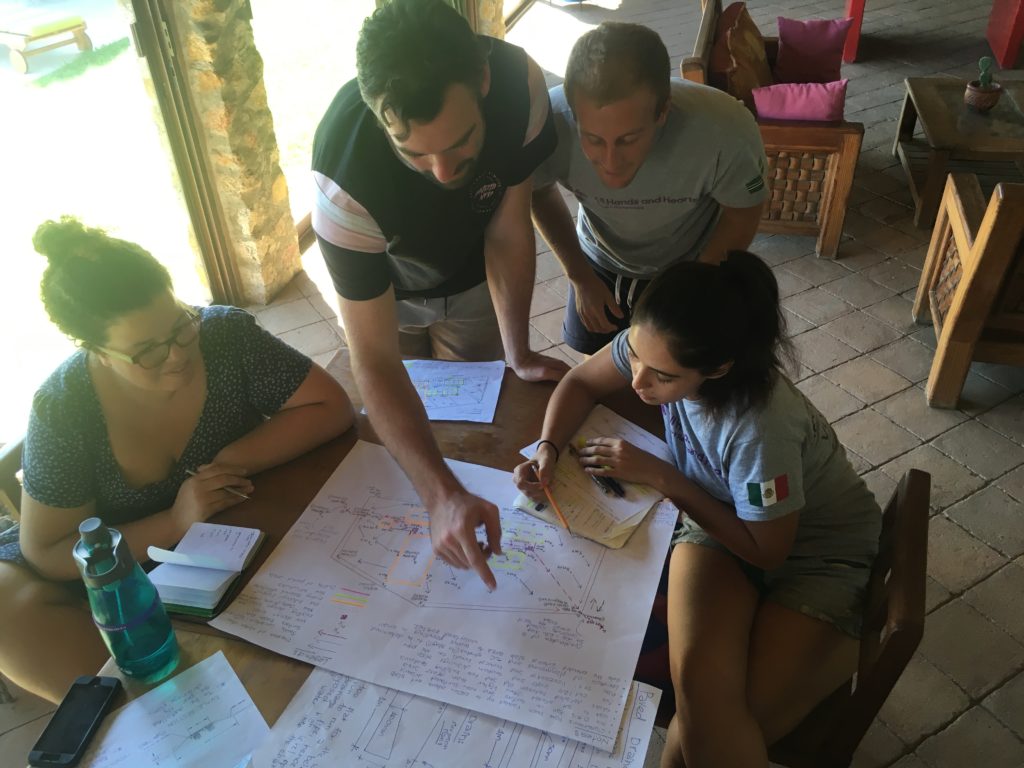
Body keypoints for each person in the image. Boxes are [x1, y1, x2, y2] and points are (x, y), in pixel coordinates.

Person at [513, 251, 881, 768]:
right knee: (701, 709)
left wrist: (664, 478)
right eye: (634, 356)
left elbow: (769, 551)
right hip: (719, 520)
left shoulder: (759, 429)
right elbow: (580, 382)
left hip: (817, 558)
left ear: (719, 368)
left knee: (697, 739)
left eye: (662, 377)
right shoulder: (656, 342)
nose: (638, 381)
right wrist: (548, 445)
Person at [0, 218, 355, 702]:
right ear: (96, 352)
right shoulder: (64, 408)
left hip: (226, 533)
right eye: (146, 351)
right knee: (142, 699)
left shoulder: (223, 334)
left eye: (180, 325)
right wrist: (175, 519)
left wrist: (229, 461)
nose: (175, 357)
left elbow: (331, 406)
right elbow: (48, 549)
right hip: (111, 568)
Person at [311, 0, 567, 590]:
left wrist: (518, 349)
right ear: (380, 118)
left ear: (481, 79)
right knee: (405, 417)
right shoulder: (341, 181)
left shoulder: (520, 85)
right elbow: (372, 360)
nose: (444, 172)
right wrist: (441, 495)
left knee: (479, 415)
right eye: (414, 153)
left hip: (473, 275)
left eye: (461, 144)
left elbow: (507, 230)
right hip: (388, 292)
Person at [531, 22, 769, 355]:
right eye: (593, 139)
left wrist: (696, 281)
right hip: (597, 259)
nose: (611, 162)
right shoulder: (548, 122)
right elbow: (538, 192)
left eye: (628, 139)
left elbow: (743, 210)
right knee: (597, 367)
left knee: (683, 374)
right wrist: (579, 276)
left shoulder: (726, 132)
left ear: (663, 112)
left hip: (689, 262)